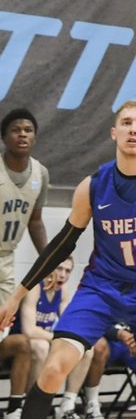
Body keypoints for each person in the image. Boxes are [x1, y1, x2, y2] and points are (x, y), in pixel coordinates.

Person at [0, 100, 136, 419]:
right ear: (114, 132)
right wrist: (18, 295)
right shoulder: (92, 186)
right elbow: (61, 246)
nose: (133, 128)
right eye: (127, 122)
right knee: (54, 367)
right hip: (101, 289)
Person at [0, 109, 49, 303]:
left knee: (2, 323)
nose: (22, 134)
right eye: (15, 130)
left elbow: (35, 222)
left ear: (34, 138)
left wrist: (48, 261)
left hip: (6, 258)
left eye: (28, 130)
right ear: (4, 138)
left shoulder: (41, 173)